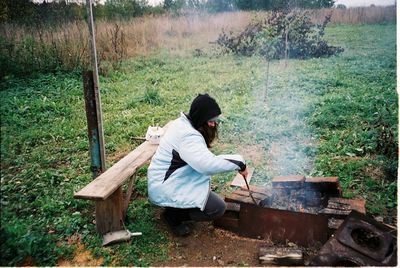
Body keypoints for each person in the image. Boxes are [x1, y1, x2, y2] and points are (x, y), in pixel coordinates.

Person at [147, 93, 248, 236]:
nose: (214, 124)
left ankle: (176, 209)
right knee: (217, 208)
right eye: (211, 121)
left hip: (169, 180)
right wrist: (239, 162)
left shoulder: (184, 124)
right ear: (201, 118)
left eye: (215, 120)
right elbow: (207, 165)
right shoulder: (188, 137)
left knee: (206, 195)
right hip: (165, 186)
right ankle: (173, 216)